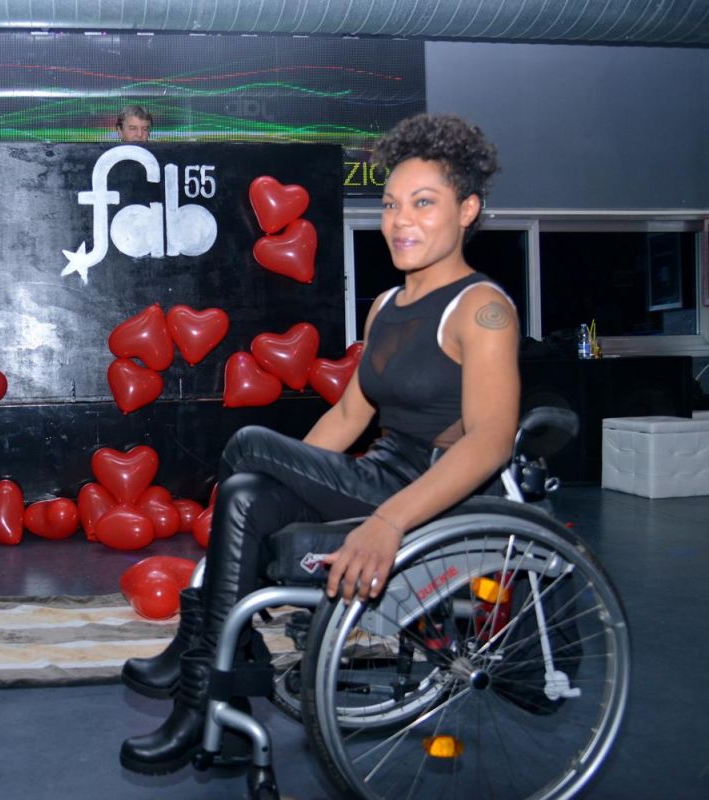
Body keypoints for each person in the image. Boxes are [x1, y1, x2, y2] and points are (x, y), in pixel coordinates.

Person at [119, 113, 520, 774]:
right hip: (380, 470)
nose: (400, 220)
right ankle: (207, 702)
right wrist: (288, 482)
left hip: (428, 489)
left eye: (423, 203)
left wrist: (388, 523)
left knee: (249, 442)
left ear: (467, 210)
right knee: (248, 490)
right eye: (390, 204)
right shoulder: (385, 305)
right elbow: (350, 412)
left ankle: (196, 656)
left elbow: (492, 442)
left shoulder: (483, 309)